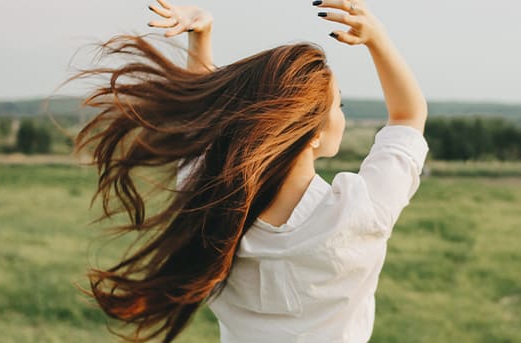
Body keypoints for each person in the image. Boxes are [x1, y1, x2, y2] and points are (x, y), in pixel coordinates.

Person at [71, 0, 429, 342]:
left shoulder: (211, 206)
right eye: (339, 104)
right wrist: (377, 37)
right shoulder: (359, 211)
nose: (342, 115)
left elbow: (204, 129)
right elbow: (408, 116)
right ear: (313, 133)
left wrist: (201, 35)